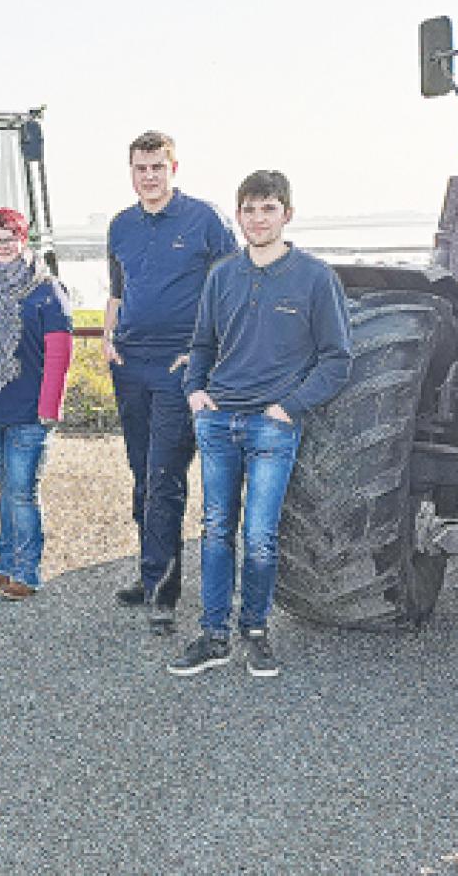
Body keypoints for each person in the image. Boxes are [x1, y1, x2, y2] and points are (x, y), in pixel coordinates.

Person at [170, 170, 352, 678]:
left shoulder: (315, 278)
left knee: (260, 535)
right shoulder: (222, 276)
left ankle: (255, 631)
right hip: (218, 421)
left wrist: (289, 407)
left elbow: (337, 360)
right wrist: (195, 392)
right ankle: (213, 636)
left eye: (268, 208)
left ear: (287, 214)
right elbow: (202, 344)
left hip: (272, 425)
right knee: (215, 530)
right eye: (249, 209)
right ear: (238, 215)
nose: (257, 219)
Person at [103, 131, 237, 630]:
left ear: (173, 169)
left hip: (178, 367)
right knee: (143, 475)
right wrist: (108, 337)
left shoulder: (205, 220)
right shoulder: (120, 226)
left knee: (164, 476)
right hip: (129, 364)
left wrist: (204, 354)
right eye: (141, 168)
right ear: (131, 172)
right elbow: (117, 290)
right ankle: (151, 574)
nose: (149, 176)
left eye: (157, 167)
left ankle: (163, 594)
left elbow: (231, 288)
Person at [0, 209, 73, 602]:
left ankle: (27, 573)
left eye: (10, 238)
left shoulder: (46, 288)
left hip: (29, 410)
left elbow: (59, 352)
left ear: (23, 240)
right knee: (6, 488)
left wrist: (50, 406)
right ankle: (4, 566)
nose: (3, 246)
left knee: (22, 492)